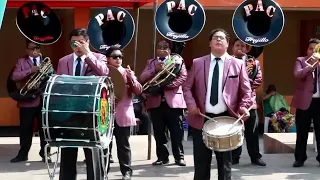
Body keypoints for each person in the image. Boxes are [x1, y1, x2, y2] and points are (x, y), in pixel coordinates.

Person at [182, 28, 252, 180]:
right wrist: (191, 105)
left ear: (227, 44)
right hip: (201, 117)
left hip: (227, 120)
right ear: (210, 43)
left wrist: (244, 106)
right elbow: (187, 87)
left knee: (225, 165)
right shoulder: (198, 62)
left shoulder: (238, 64)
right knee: (201, 164)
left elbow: (247, 91)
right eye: (215, 37)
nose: (218, 40)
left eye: (222, 38)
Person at [57, 28, 108, 180]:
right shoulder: (63, 61)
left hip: (90, 113)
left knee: (92, 153)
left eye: (81, 42)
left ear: (88, 42)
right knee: (68, 153)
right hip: (69, 113)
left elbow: (104, 73)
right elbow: (58, 85)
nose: (77, 46)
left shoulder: (99, 57)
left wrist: (88, 54)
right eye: (74, 43)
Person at [140, 39, 187, 166]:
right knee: (159, 132)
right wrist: (154, 70)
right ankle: (162, 157)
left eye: (165, 47)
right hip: (155, 102)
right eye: (159, 47)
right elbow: (142, 77)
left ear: (170, 50)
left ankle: (179, 157)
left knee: (177, 132)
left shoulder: (177, 61)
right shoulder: (151, 63)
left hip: (174, 101)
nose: (162, 49)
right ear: (156, 49)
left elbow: (183, 77)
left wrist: (167, 85)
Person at [10, 39, 51, 163]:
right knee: (25, 129)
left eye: (37, 48)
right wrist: (30, 70)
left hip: (42, 99)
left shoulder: (45, 61)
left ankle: (45, 154)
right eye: (32, 48)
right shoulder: (21, 62)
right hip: (27, 101)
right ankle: (23, 154)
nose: (35, 51)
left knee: (44, 129)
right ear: (26, 50)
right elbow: (15, 76)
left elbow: (52, 76)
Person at [105, 45, 142, 180]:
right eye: (115, 57)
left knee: (124, 145)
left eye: (120, 57)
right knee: (105, 146)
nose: (118, 59)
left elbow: (138, 90)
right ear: (108, 59)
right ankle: (104, 171)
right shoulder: (104, 72)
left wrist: (131, 77)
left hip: (123, 113)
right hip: (106, 114)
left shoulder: (127, 72)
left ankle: (126, 172)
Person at [230, 38, 266, 166]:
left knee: (252, 131)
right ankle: (234, 157)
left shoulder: (254, 62)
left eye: (243, 46)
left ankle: (255, 157)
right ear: (232, 48)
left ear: (247, 49)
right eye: (237, 45)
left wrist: (244, 82)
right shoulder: (228, 61)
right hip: (233, 102)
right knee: (235, 130)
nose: (240, 48)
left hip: (250, 102)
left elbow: (258, 81)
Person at [291, 38, 320, 167]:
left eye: (316, 49)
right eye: (310, 48)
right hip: (304, 102)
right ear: (307, 50)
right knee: (302, 132)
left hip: (319, 103)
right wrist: (311, 66)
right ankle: (300, 158)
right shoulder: (301, 61)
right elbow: (298, 74)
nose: (313, 51)